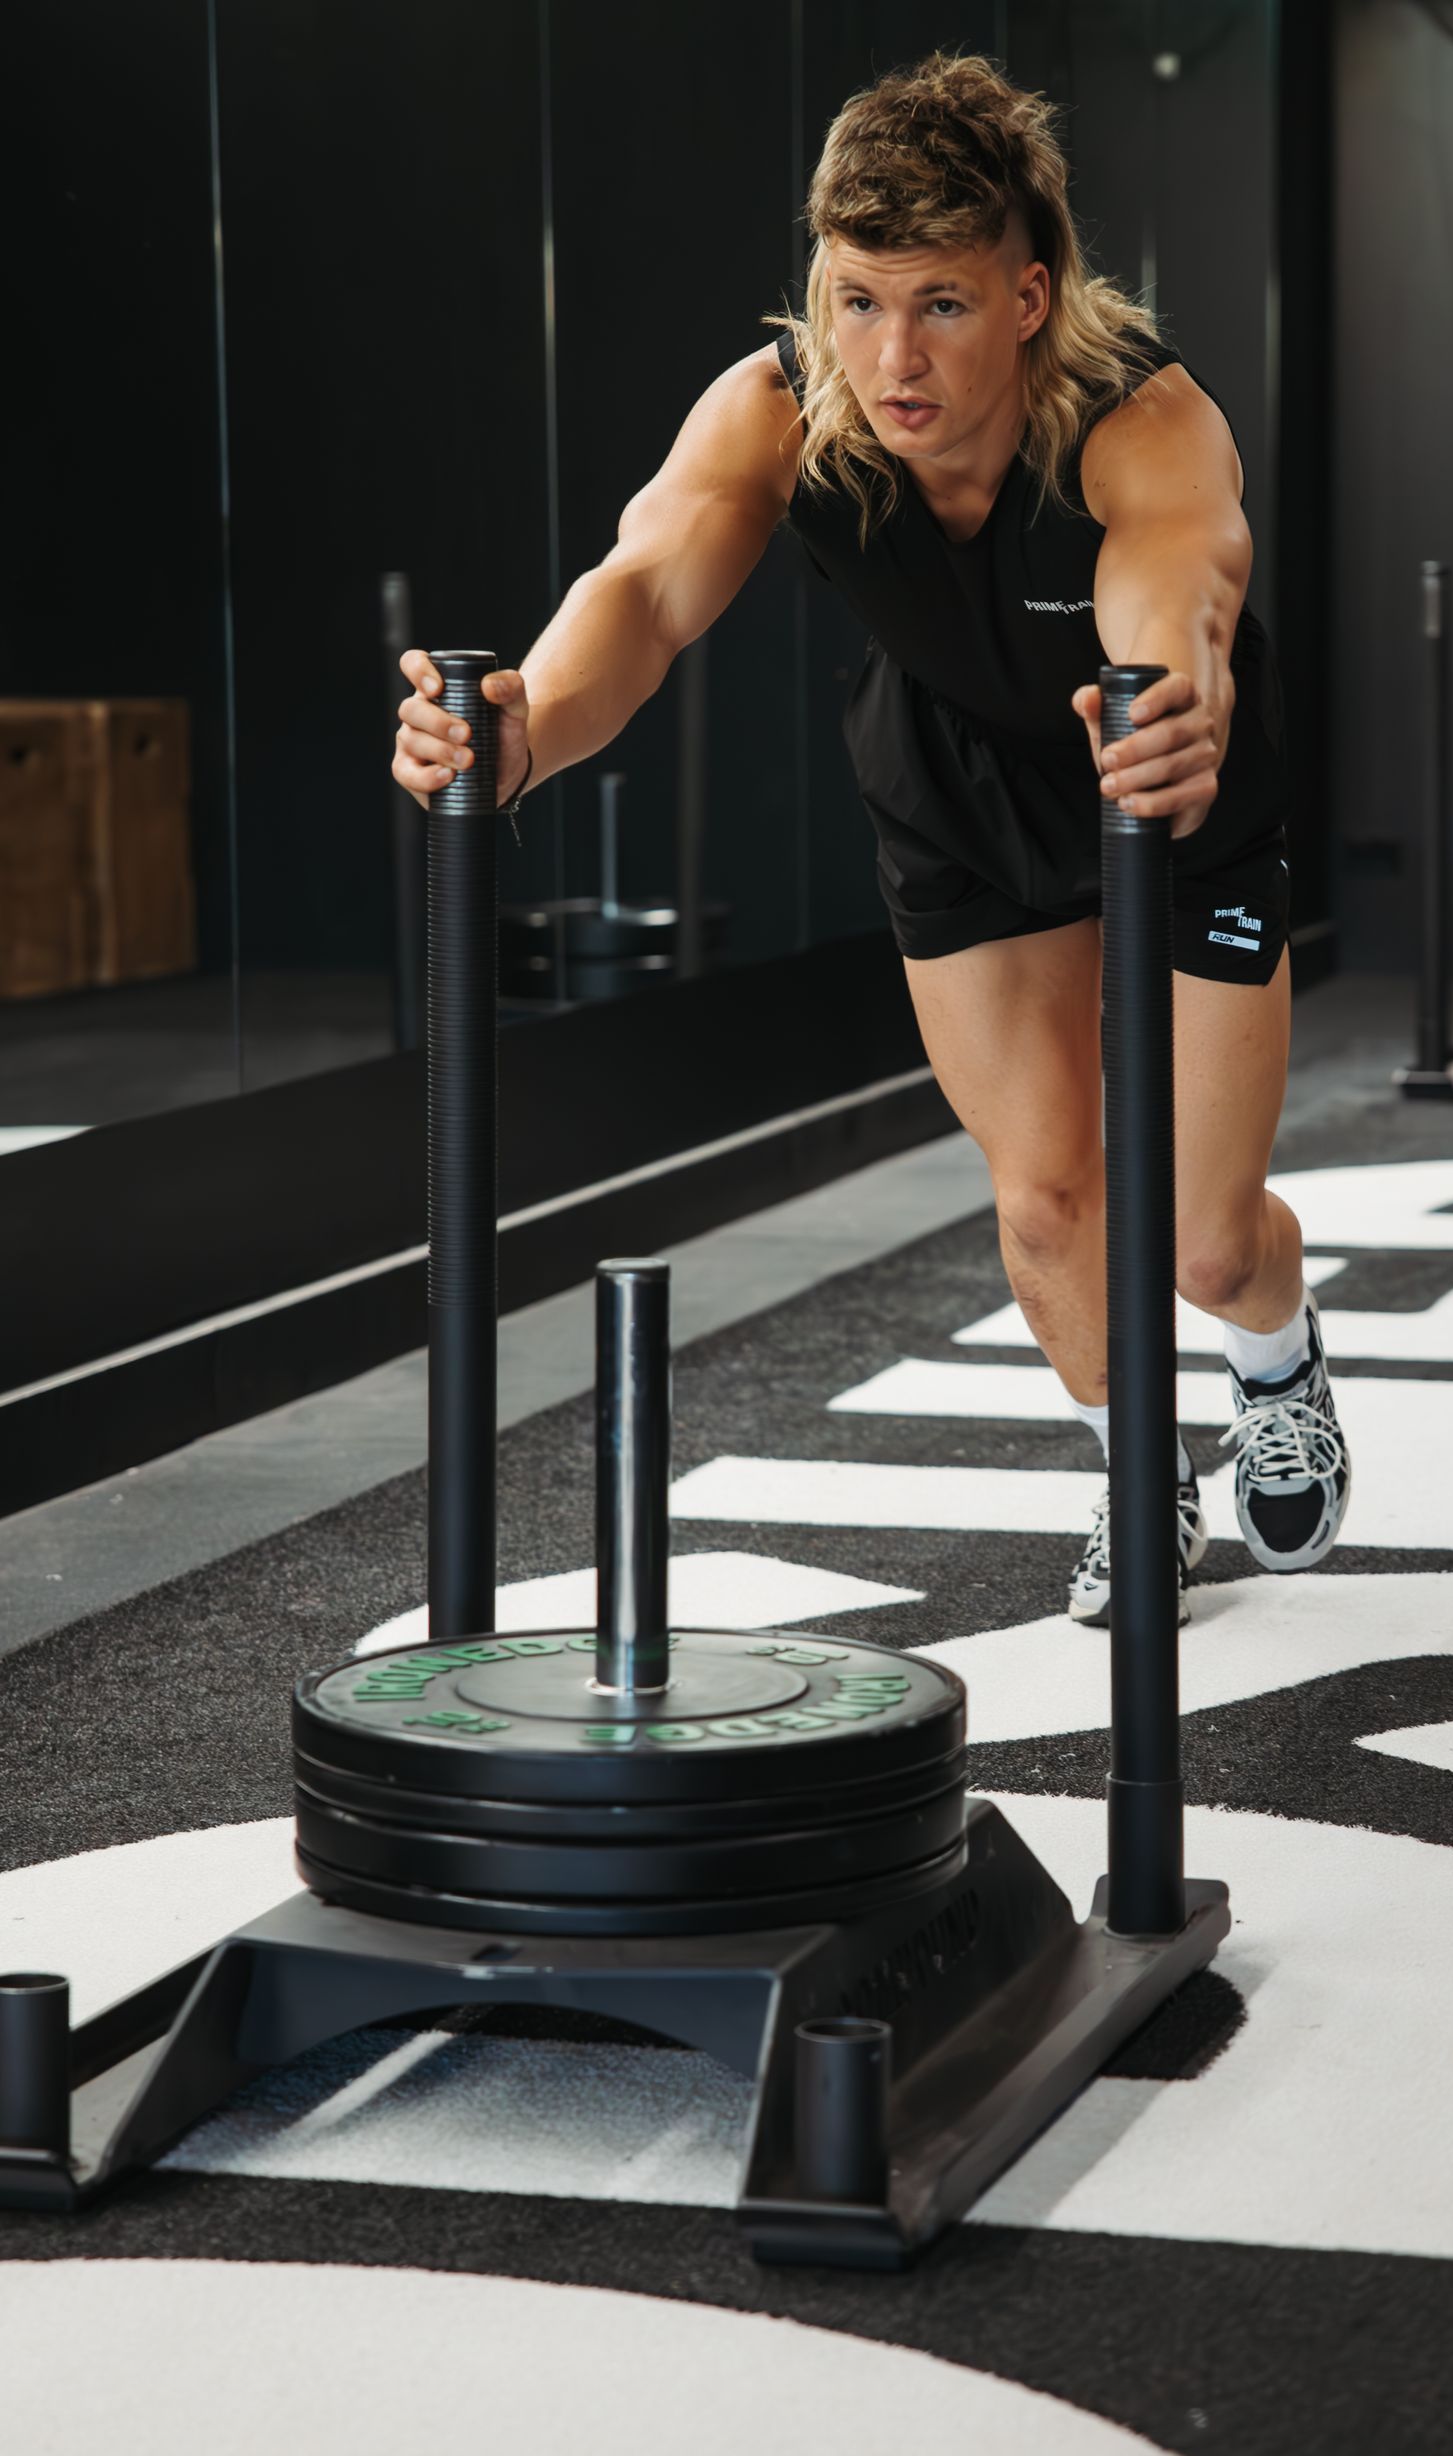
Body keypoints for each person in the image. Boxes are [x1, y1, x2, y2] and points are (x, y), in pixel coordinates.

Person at [390, 51, 1348, 1628]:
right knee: (1046, 1195)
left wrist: (1172, 697)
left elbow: (1178, 583)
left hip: (1164, 774)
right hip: (956, 781)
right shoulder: (784, 410)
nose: (890, 356)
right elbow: (641, 590)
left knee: (1202, 1239)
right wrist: (522, 730)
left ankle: (1276, 1358)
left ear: (1030, 294)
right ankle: (1135, 1476)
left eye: (942, 305)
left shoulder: (1138, 418)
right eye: (855, 299)